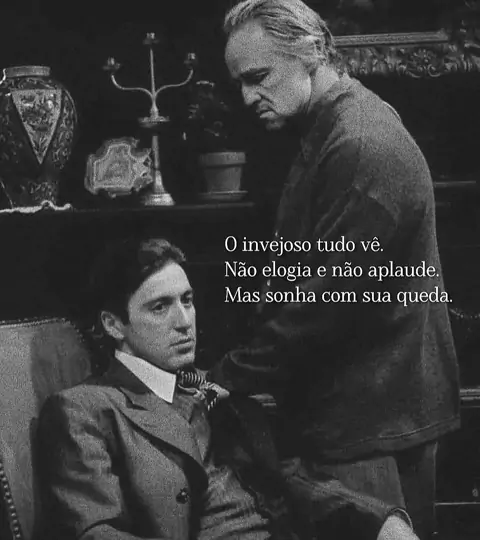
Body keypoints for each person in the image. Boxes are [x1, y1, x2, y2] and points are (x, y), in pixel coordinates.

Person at [208, 1, 461, 539]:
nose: (248, 97)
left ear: (312, 53)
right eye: (240, 83)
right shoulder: (332, 127)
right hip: (363, 412)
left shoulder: (359, 141)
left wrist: (228, 376)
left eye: (258, 77)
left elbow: (324, 301)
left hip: (372, 423)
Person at [36, 236, 418, 540]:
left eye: (187, 301)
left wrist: (380, 522)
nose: (184, 321)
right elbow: (96, 533)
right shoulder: (85, 409)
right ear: (113, 324)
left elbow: (286, 479)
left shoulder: (213, 387)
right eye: (160, 307)